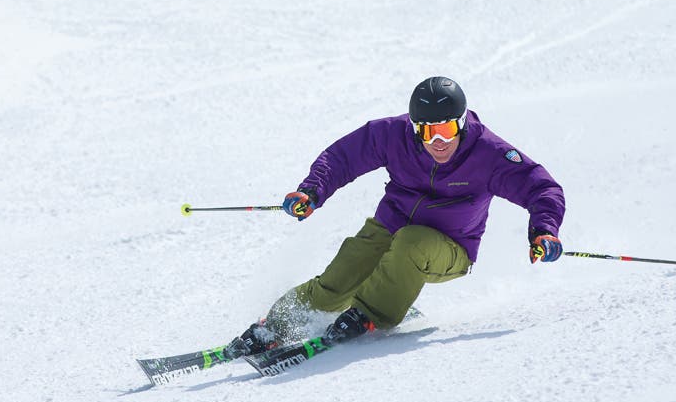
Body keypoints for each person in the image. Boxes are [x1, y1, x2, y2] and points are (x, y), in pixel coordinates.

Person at [226, 76, 565, 357]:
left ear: (461, 122)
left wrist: (544, 230)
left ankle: (368, 314)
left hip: (450, 249)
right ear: (415, 127)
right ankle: (274, 326)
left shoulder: (488, 153)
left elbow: (541, 187)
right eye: (428, 131)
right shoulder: (394, 135)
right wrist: (312, 191)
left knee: (410, 243)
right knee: (341, 275)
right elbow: (343, 157)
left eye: (447, 129)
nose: (439, 141)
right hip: (391, 227)